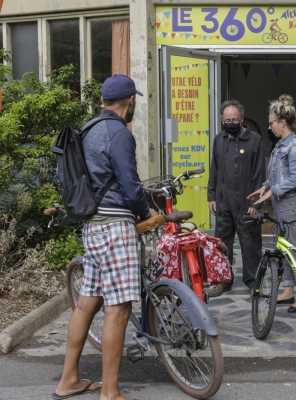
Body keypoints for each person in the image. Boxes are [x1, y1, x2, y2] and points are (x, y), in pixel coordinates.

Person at [54, 74, 152, 400]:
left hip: (91, 228)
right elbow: (130, 185)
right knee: (118, 309)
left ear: (102, 102)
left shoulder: (87, 131)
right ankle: (110, 392)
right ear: (130, 101)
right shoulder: (119, 134)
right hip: (115, 228)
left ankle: (68, 380)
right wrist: (147, 213)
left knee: (85, 306)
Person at [247, 94, 296, 312]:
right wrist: (265, 186)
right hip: (282, 204)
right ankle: (289, 289)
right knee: (284, 251)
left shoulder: (295, 148)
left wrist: (272, 190)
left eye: (272, 122)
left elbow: (293, 179)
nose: (269, 126)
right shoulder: (281, 145)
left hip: (292, 205)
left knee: (295, 250)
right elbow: (276, 175)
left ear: (282, 123)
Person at [207, 99, 264, 297]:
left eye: (234, 119)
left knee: (250, 243)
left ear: (241, 119)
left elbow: (259, 173)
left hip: (246, 198)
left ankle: (253, 282)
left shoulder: (254, 139)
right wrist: (212, 196)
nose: (230, 122)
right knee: (222, 243)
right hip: (223, 200)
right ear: (222, 120)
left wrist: (255, 202)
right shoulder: (218, 139)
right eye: (226, 119)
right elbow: (214, 170)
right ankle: (223, 280)